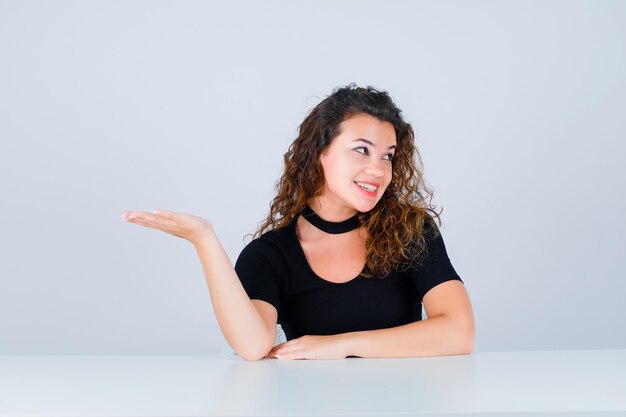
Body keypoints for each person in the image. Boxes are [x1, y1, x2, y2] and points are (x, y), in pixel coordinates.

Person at [121, 83, 475, 361]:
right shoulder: (270, 255)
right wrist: (204, 239)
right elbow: (252, 346)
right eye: (362, 150)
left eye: (388, 156)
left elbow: (459, 333)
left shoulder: (410, 230)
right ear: (320, 152)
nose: (379, 170)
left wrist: (340, 346)